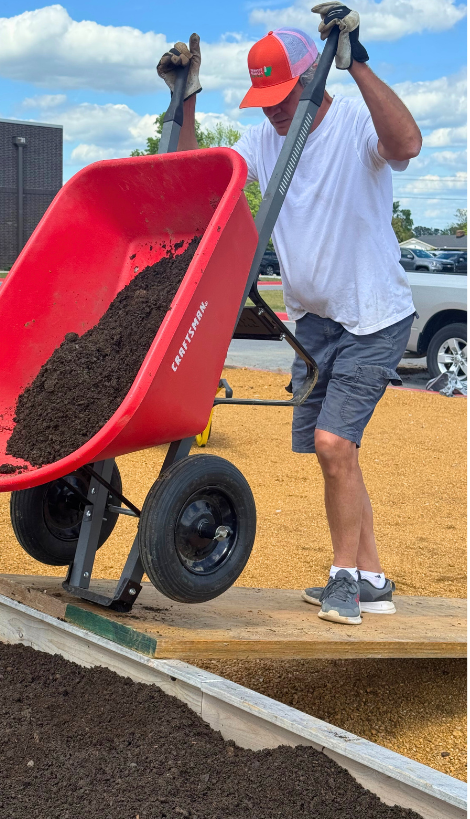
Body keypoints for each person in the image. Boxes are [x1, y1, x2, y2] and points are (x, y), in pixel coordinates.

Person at [157, 4, 422, 625]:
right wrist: (184, 97)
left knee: (334, 444)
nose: (275, 108)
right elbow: (202, 180)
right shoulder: (268, 136)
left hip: (373, 314)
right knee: (340, 453)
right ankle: (374, 578)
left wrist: (357, 63)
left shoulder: (356, 121)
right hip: (316, 323)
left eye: (284, 94)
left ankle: (344, 582)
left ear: (312, 78)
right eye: (266, 96)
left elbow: (406, 144)